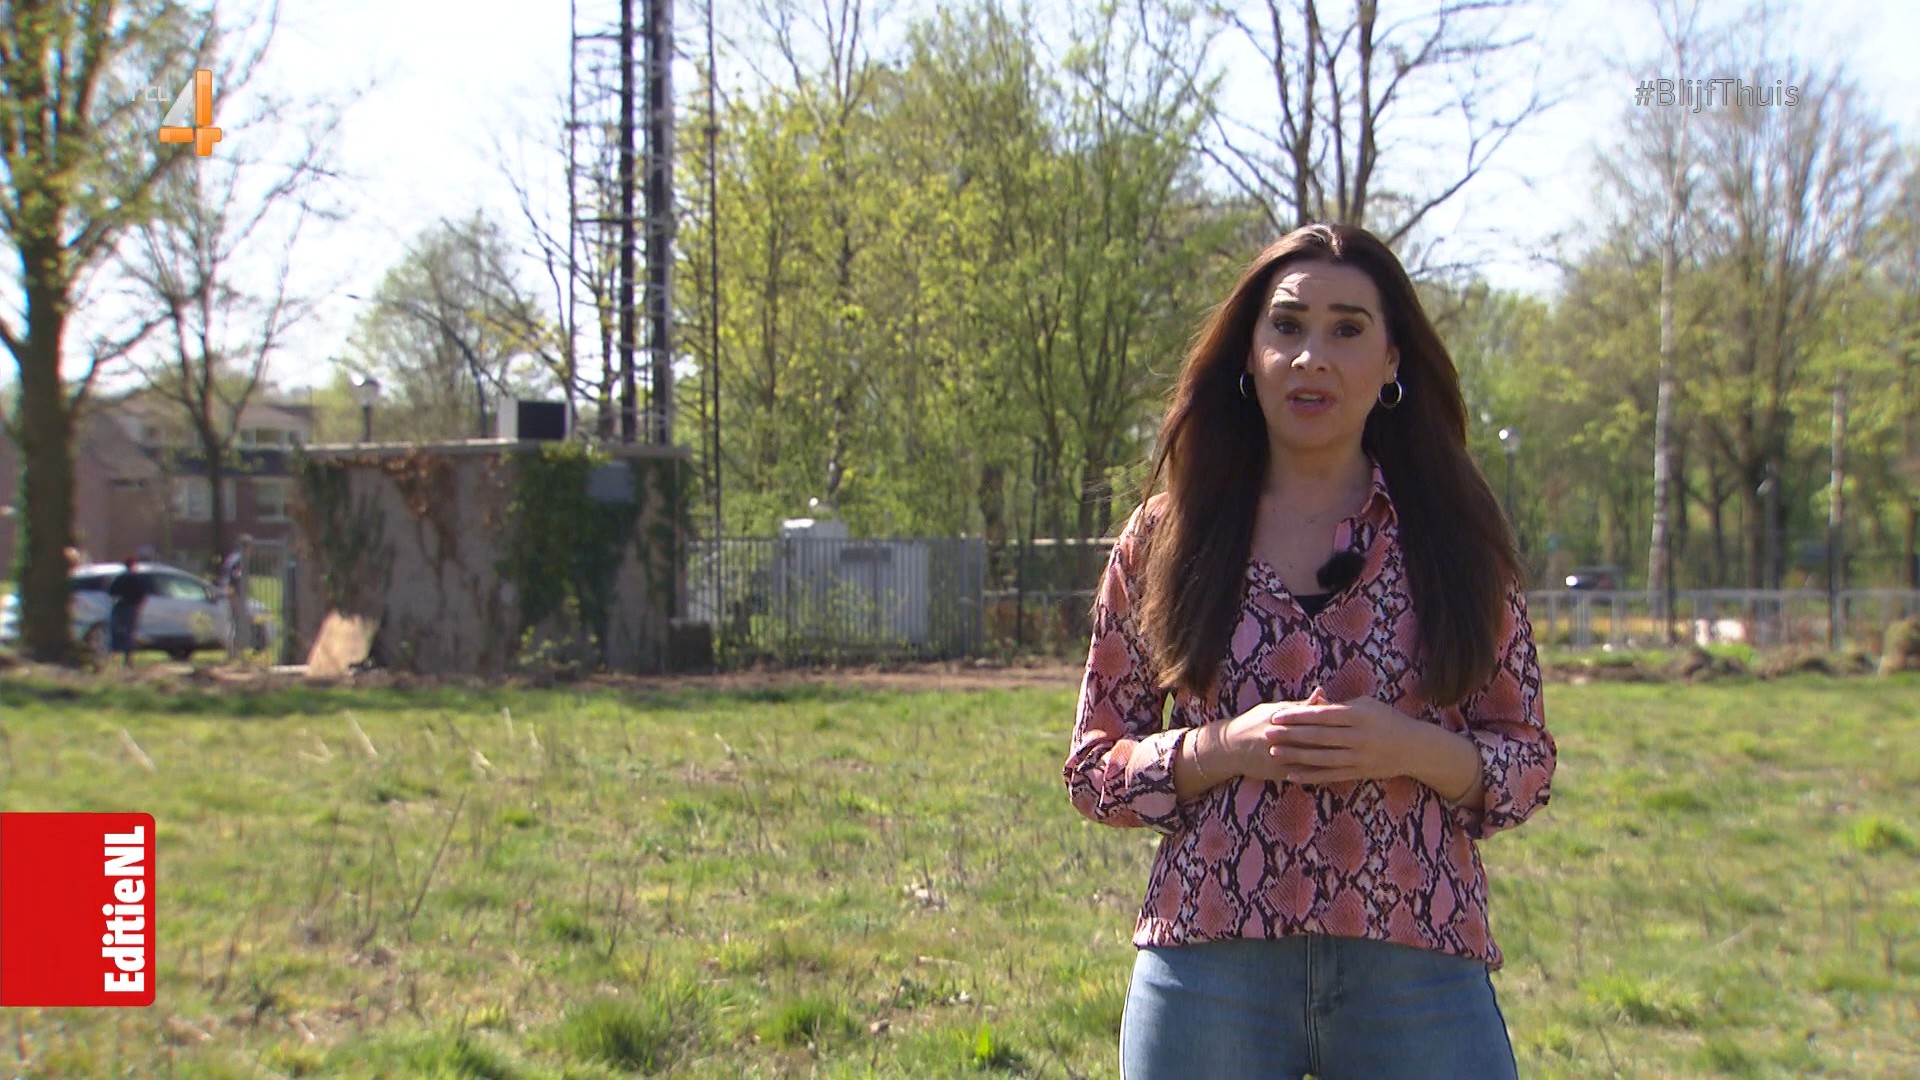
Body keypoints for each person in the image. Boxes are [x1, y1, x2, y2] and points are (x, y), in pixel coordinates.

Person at [1064, 223, 1556, 1080]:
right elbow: (1092, 769)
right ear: (1249, 356)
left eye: (1347, 330)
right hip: (1210, 963)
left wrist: (1411, 748)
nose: (1311, 357)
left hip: (1416, 962)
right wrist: (1222, 747)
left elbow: (1527, 763)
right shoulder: (1165, 538)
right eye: (1287, 326)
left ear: (1392, 361)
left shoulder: (1457, 536)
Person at [106, 555, 148, 667]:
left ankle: (112, 658)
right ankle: (127, 659)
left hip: (119, 606)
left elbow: (111, 592)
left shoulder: (119, 578)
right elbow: (142, 594)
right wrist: (139, 606)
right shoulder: (137, 578)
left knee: (117, 632)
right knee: (129, 633)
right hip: (131, 607)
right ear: (134, 565)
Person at [221, 534, 254, 660]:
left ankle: (234, 653)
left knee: (234, 624)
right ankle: (234, 653)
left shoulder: (233, 558)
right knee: (236, 625)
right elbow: (233, 580)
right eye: (251, 547)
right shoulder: (238, 561)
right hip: (235, 597)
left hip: (234, 596)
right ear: (247, 547)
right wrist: (234, 597)